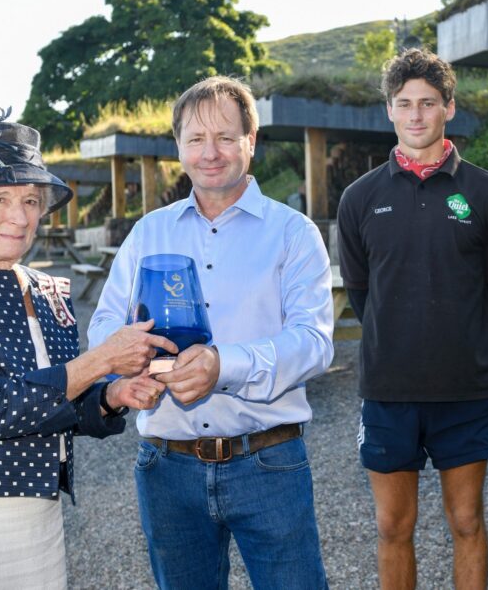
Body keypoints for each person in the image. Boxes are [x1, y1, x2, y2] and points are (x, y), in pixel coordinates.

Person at [0, 101, 173, 588]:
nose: (18, 216)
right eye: (0, 199)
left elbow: (54, 402)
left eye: (30, 201)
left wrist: (110, 395)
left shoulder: (48, 289)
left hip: (38, 521)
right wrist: (101, 360)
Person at [88, 76, 334, 589]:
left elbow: (313, 343)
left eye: (225, 137)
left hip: (269, 462)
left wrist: (224, 365)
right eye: (196, 139)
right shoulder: (148, 232)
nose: (210, 153)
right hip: (166, 468)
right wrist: (133, 363)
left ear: (251, 140)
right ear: (179, 146)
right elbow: (105, 324)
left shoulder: (293, 233)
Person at [337, 48, 488, 590]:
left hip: (466, 389)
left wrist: (465, 340)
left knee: (466, 521)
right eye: (404, 103)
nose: (416, 114)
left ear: (449, 108)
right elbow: (361, 291)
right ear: (389, 111)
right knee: (393, 526)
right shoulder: (360, 198)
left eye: (428, 103)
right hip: (389, 389)